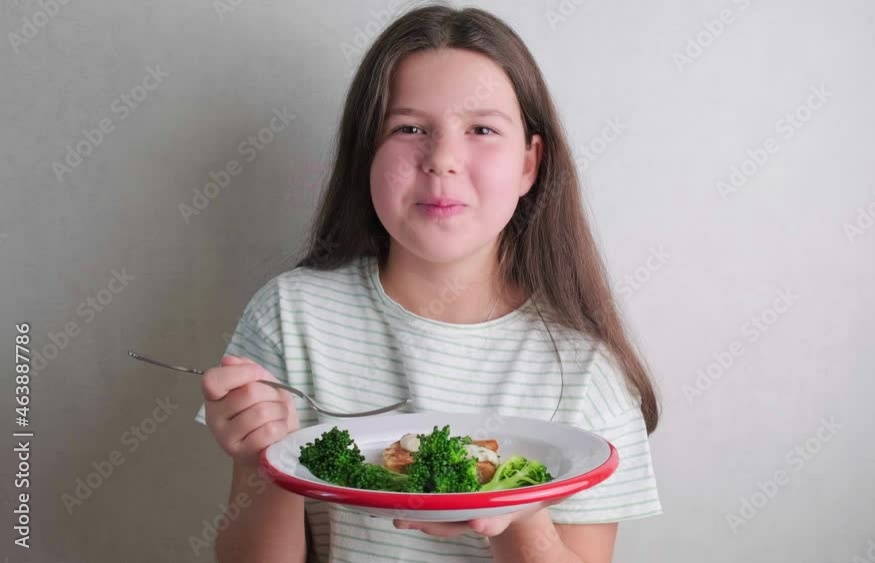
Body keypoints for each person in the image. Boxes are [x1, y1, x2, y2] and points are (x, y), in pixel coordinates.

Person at [195, 4, 662, 561]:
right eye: (409, 128)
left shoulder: (588, 373)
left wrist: (516, 515)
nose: (442, 160)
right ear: (366, 153)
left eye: (482, 129)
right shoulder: (290, 317)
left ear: (529, 164)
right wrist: (262, 462)